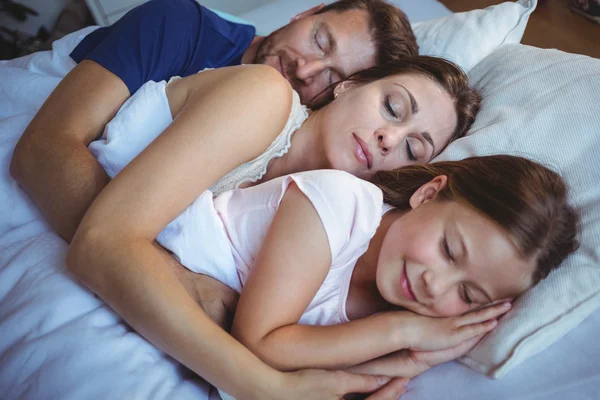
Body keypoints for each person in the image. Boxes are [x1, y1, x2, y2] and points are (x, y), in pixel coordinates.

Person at [60, 56, 481, 400]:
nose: (389, 138)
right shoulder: (264, 97)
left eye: (412, 147)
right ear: (349, 85)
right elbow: (102, 243)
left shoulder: (330, 231)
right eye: (392, 108)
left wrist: (404, 359)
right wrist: (265, 386)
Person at [68, 150, 579, 398]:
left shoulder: (398, 306)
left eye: (467, 293)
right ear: (428, 194)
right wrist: (403, 332)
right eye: (448, 248)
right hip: (154, 271)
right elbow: (261, 340)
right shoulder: (339, 202)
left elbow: (355, 386)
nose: (434, 284)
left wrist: (418, 358)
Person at [10, 0, 417, 244]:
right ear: (308, 12)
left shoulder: (290, 145)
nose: (306, 69)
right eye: (320, 40)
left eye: (332, 77)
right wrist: (145, 265)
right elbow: (43, 148)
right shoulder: (179, 22)